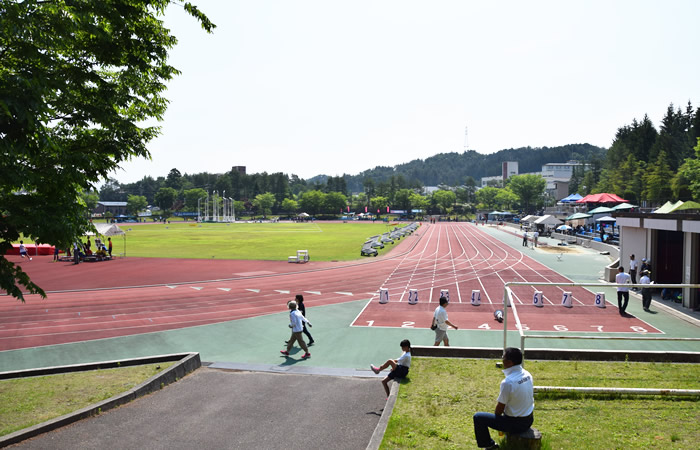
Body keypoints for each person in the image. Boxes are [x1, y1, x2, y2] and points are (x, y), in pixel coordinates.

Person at [473, 347, 534, 449]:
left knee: (478, 417)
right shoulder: (527, 374)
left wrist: (498, 421)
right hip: (529, 419)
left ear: (509, 362)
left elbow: (499, 409)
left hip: (515, 424)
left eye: (503, 357)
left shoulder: (508, 382)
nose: (502, 359)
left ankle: (489, 445)